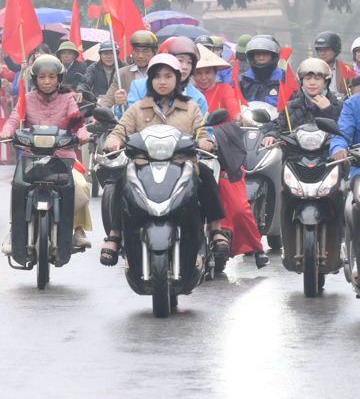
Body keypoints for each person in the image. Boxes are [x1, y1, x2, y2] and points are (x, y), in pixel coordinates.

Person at [99, 54, 229, 264]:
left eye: (168, 76)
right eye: (157, 76)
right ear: (150, 80)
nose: (162, 81)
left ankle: (215, 230)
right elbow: (120, 129)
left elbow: (202, 133)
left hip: (182, 165)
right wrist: (114, 141)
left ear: (178, 79)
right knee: (121, 180)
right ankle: (115, 235)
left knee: (205, 174)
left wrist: (205, 142)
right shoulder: (138, 108)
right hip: (144, 167)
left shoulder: (191, 107)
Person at [0, 55, 93, 252]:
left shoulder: (68, 99)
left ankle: (78, 229)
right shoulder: (27, 99)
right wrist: (7, 130)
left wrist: (82, 135)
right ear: (35, 80)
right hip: (32, 158)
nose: (47, 81)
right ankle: (14, 230)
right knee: (18, 187)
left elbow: (78, 122)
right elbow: (15, 118)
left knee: (81, 184)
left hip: (63, 157)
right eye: (42, 77)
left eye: (51, 77)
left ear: (59, 79)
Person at [191, 46, 267, 265]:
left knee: (241, 207)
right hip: (193, 153)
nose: (203, 77)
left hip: (223, 154)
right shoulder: (189, 94)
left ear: (216, 73)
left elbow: (234, 110)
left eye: (208, 72)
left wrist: (241, 118)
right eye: (199, 72)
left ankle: (257, 247)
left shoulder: (224, 90)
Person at [115, 36, 209, 115]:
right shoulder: (139, 87)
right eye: (180, 60)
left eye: (189, 62)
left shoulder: (198, 98)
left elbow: (204, 131)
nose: (185, 67)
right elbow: (128, 123)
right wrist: (122, 105)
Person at [262, 58, 342, 144]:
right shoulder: (290, 107)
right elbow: (279, 129)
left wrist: (328, 109)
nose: (312, 83)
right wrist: (272, 136)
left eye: (317, 78)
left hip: (328, 154)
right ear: (301, 81)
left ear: (326, 81)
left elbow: (344, 131)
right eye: (307, 78)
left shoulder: (340, 106)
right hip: (296, 155)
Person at [98, 30, 157, 108]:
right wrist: (99, 112)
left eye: (145, 51)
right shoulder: (122, 74)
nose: (140, 56)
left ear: (154, 52)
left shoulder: (161, 74)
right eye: (136, 50)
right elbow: (108, 99)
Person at [238, 35, 285, 106]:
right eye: (257, 54)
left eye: (265, 54)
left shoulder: (286, 79)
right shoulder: (241, 81)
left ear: (273, 56)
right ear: (252, 56)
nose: (261, 58)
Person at [313, 31, 355, 96]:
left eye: (326, 49)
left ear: (336, 50)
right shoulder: (311, 69)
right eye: (320, 50)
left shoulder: (347, 68)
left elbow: (356, 89)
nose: (322, 53)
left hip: (340, 104)